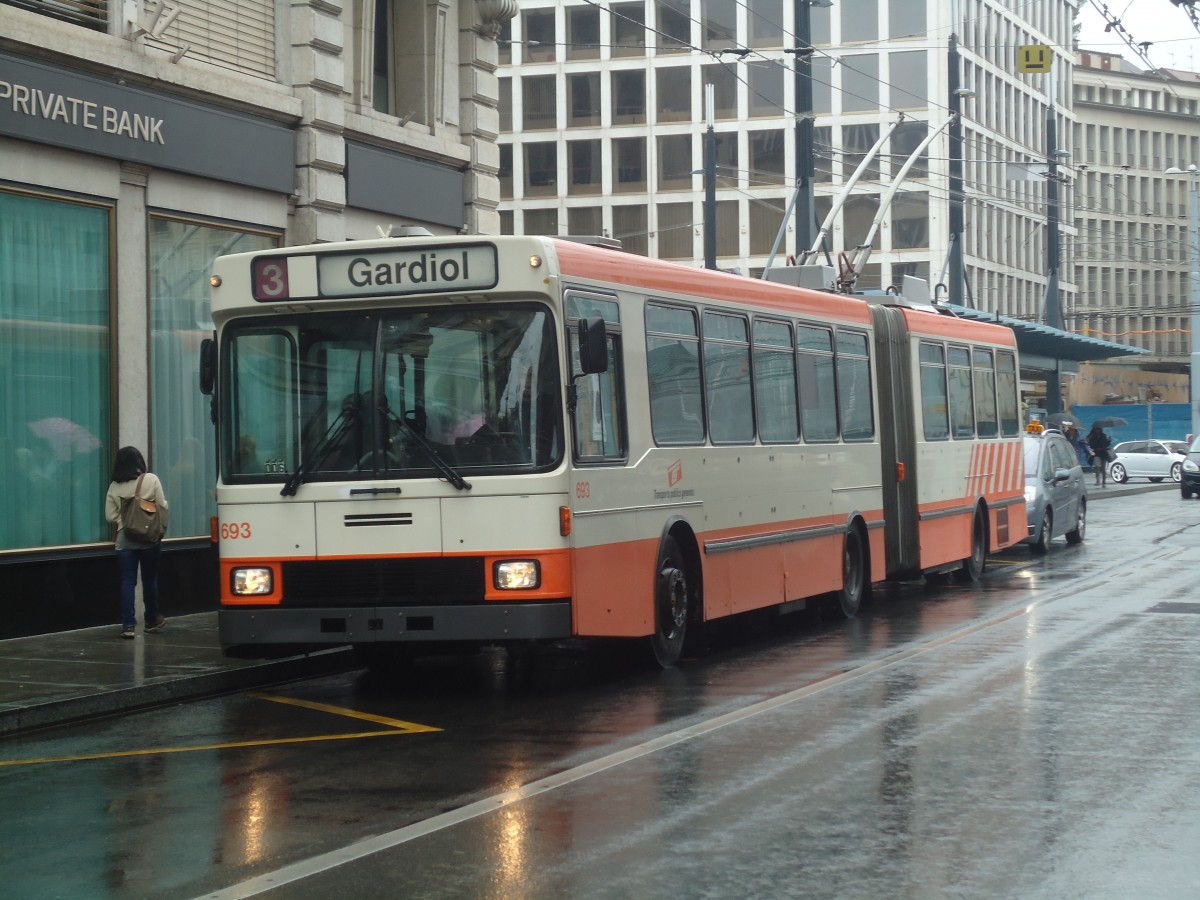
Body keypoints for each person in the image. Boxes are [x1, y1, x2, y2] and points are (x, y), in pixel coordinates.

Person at [104, 446, 169, 639]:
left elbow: (109, 516)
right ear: (139, 461)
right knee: (149, 579)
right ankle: (151, 619)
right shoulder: (151, 479)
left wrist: (124, 521)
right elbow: (162, 505)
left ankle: (128, 625)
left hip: (125, 539)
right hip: (149, 538)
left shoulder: (114, 486)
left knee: (127, 581)